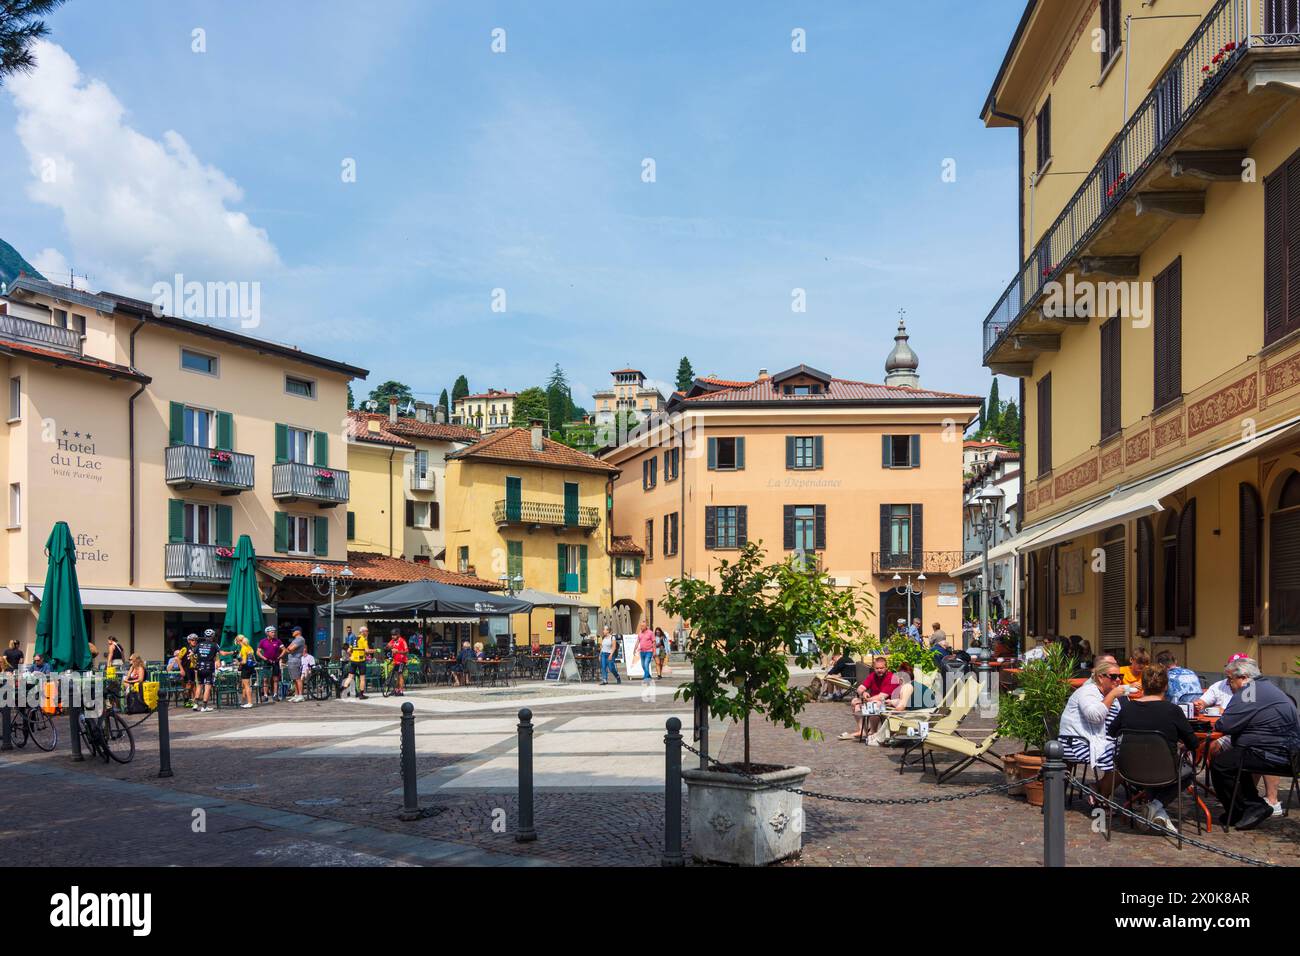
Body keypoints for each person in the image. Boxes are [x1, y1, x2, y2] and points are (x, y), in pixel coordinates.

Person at [1106, 664, 1200, 834]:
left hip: (1129, 769)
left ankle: (1157, 810)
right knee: (1188, 772)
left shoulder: (1128, 709)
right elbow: (1193, 743)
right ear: (1166, 686)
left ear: (1143, 685)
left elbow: (1112, 732)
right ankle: (1155, 805)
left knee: (1151, 762)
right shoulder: (1173, 710)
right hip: (1165, 770)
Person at [1208, 657, 1300, 830]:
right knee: (1232, 759)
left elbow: (1226, 725)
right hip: (1284, 750)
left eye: (1230, 679)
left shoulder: (1249, 691)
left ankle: (1250, 807)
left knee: (1221, 764)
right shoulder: (1264, 686)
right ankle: (1245, 808)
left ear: (1243, 677)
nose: (1228, 684)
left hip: (1276, 753)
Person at [1059, 658, 1132, 799]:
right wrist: (1113, 695)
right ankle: (1100, 794)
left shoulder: (1110, 695)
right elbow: (1095, 716)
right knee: (1126, 760)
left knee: (1135, 754)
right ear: (1100, 677)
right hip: (1077, 744)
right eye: (1114, 676)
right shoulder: (1087, 692)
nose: (1118, 680)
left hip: (1100, 742)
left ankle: (1098, 791)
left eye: (1120, 676)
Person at [841, 655, 899, 746]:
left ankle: (873, 731)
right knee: (854, 701)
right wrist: (863, 693)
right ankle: (863, 730)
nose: (879, 670)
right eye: (877, 668)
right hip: (873, 701)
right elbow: (860, 688)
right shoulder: (872, 676)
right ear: (873, 668)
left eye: (881, 668)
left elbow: (882, 696)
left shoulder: (892, 678)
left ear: (886, 668)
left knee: (874, 704)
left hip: (889, 704)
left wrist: (866, 700)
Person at [191, 628, 226, 713]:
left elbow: (192, 654)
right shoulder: (214, 645)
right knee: (207, 687)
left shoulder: (199, 644)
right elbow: (222, 653)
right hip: (209, 668)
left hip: (199, 667)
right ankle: (204, 707)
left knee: (199, 686)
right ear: (213, 636)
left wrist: (195, 663)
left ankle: (195, 704)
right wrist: (232, 652)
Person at [257, 626, 283, 703]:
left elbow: (284, 650)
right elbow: (258, 652)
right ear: (267, 633)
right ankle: (265, 695)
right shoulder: (263, 641)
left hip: (275, 662)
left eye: (274, 632)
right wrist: (264, 658)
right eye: (272, 632)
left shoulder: (278, 641)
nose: (274, 633)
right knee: (265, 679)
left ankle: (275, 695)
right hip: (266, 662)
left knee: (276, 679)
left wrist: (280, 656)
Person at [284, 627, 308, 703]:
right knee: (294, 679)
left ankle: (301, 696)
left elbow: (290, 649)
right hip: (292, 660)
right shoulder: (295, 639)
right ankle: (296, 695)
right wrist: (288, 649)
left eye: (294, 631)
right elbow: (288, 648)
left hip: (295, 660)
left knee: (297, 678)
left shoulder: (300, 639)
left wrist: (289, 649)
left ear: (298, 631)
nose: (292, 632)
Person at [234, 634, 257, 708]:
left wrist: (237, 663)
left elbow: (244, 661)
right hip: (251, 668)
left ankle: (249, 702)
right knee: (244, 685)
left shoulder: (243, 648)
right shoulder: (249, 647)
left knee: (247, 686)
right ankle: (243, 701)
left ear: (238, 641)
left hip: (246, 668)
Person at [349, 626, 372, 698]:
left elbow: (349, 650)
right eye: (367, 631)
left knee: (350, 677)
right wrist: (375, 650)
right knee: (362, 678)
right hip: (361, 661)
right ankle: (361, 695)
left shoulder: (354, 639)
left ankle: (345, 691)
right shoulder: (363, 639)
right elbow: (367, 650)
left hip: (353, 660)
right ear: (362, 632)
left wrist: (352, 656)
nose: (368, 632)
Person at [387, 628, 409, 696]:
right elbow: (387, 647)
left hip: (402, 661)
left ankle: (401, 691)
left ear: (398, 635)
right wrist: (389, 647)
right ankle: (396, 690)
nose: (393, 636)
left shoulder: (402, 641)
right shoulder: (393, 641)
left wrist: (398, 651)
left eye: (394, 635)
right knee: (396, 676)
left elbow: (406, 651)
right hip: (395, 661)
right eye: (392, 635)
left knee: (400, 675)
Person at [180, 634, 199, 707]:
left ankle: (191, 701)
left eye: (196, 640)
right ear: (189, 641)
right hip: (186, 669)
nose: (194, 641)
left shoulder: (197, 649)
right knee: (188, 685)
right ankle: (186, 701)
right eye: (192, 640)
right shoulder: (185, 649)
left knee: (193, 685)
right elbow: (177, 659)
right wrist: (181, 669)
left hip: (193, 669)